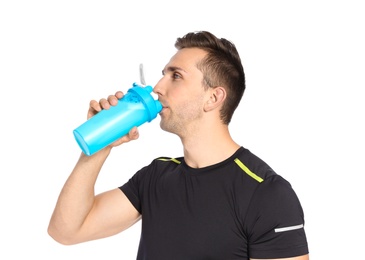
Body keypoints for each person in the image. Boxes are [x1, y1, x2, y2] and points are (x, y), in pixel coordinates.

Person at [48, 31, 309, 259]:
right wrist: (100, 143)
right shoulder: (156, 177)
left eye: (176, 76)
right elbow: (66, 230)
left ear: (213, 97)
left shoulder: (266, 193)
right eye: (163, 75)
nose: (158, 87)